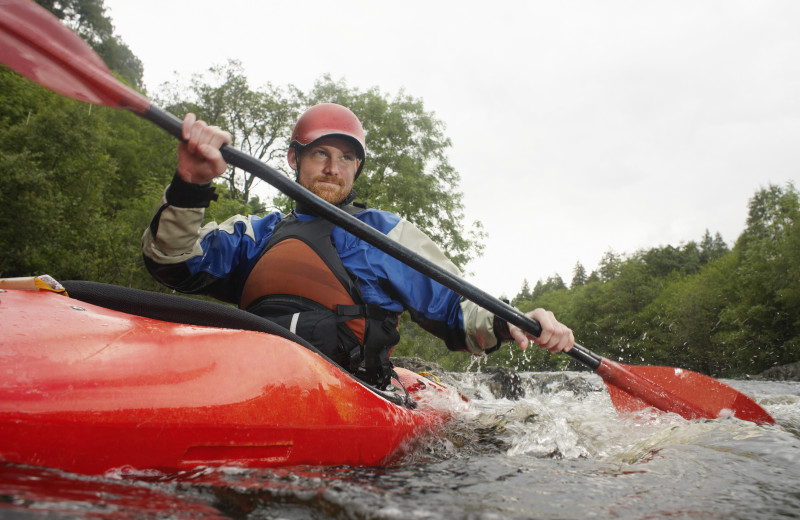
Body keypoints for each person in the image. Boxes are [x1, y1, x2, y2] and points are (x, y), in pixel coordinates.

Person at [142, 103, 574, 388]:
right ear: (294, 159)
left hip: (354, 391)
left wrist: (511, 320)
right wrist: (191, 184)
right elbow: (172, 262)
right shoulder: (257, 233)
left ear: (358, 167)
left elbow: (456, 310)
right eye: (320, 154)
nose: (333, 168)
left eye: (346, 158)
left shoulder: (383, 234)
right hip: (253, 382)